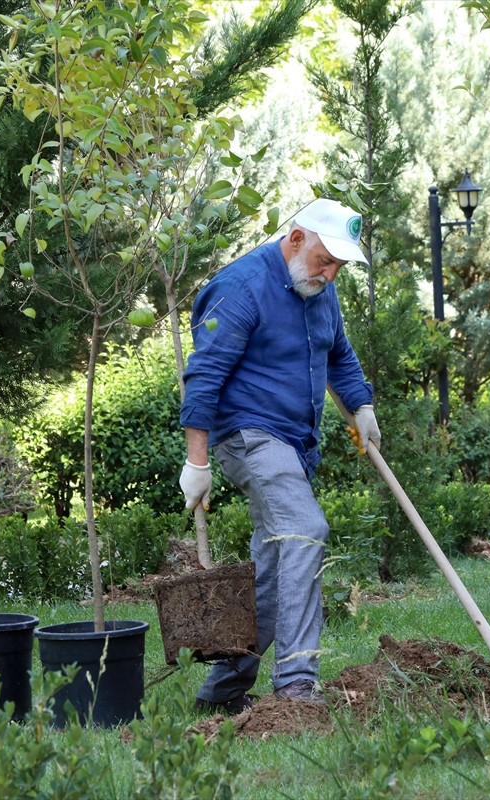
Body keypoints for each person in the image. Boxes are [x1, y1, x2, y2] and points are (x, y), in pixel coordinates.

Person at [178, 198, 381, 714]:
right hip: (249, 436)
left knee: (272, 567)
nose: (330, 274)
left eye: (338, 265)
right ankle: (295, 684)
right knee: (304, 530)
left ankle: (222, 691)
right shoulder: (240, 287)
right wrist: (196, 462)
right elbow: (203, 377)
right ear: (296, 240)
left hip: (293, 445)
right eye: (324, 260)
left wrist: (361, 405)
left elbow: (338, 353)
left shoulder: (316, 290)